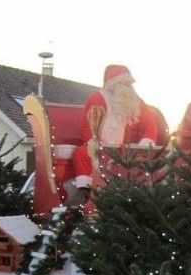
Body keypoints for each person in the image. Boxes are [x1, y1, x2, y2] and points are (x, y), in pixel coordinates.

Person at [65, 64, 160, 206]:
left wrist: (146, 143)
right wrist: (99, 143)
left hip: (129, 151)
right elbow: (87, 125)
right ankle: (84, 190)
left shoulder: (137, 102)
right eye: (123, 83)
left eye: (129, 84)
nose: (127, 88)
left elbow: (150, 123)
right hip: (103, 148)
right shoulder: (97, 98)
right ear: (112, 84)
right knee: (81, 153)